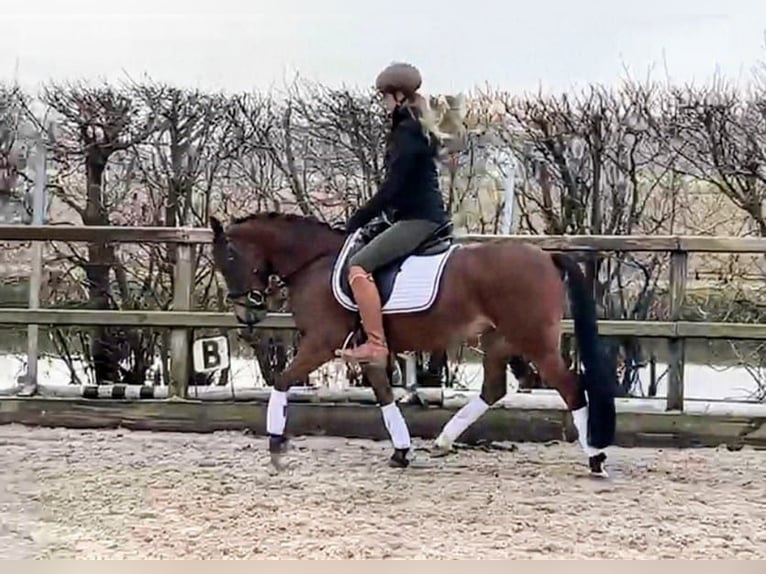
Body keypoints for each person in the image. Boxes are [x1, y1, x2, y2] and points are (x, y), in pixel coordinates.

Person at [335, 62, 450, 366]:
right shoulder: (415, 125)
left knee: (358, 267)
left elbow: (393, 188)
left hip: (418, 219)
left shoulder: (407, 131)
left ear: (398, 95)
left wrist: (358, 218)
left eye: (385, 96)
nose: (383, 103)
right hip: (414, 214)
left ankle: (375, 344)